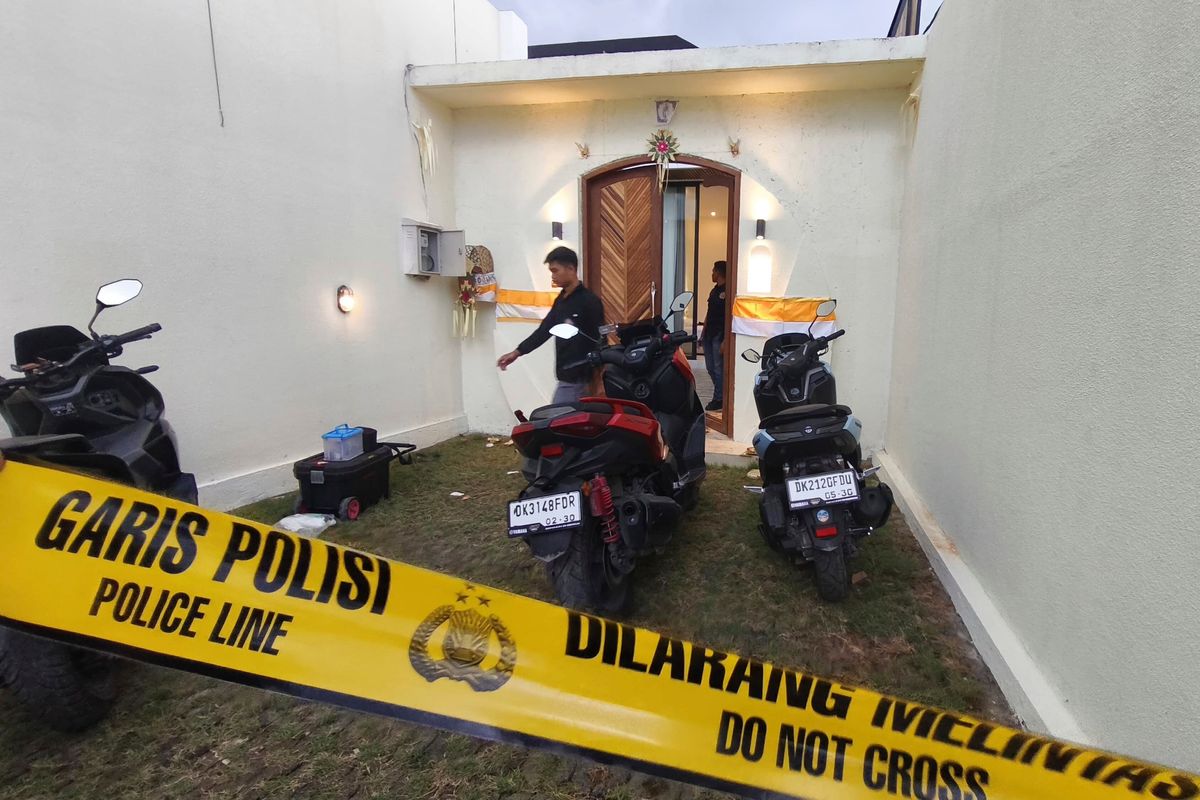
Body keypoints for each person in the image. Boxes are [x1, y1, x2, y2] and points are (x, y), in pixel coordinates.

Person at [496, 246, 605, 404]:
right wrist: (517, 352)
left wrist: (599, 381)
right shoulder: (561, 300)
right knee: (560, 418)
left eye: (555, 271)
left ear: (571, 268)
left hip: (581, 381)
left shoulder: (589, 301)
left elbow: (600, 341)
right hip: (565, 377)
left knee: (557, 417)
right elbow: (544, 330)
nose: (553, 276)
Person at [700, 260, 728, 411]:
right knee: (710, 367)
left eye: (713, 271)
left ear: (719, 272)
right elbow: (709, 312)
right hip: (709, 334)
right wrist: (703, 332)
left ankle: (719, 398)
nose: (712, 274)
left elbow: (729, 317)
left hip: (719, 335)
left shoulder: (728, 291)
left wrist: (725, 340)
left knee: (718, 368)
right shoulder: (714, 291)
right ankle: (721, 394)